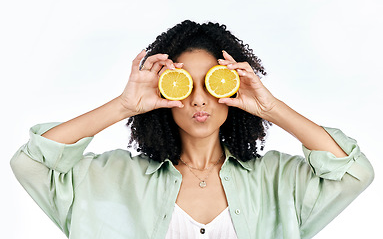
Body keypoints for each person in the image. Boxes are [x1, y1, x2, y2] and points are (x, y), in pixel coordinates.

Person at [11, 20, 374, 239]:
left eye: (212, 85)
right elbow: (31, 163)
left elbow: (354, 173)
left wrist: (271, 107)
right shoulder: (114, 178)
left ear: (230, 90)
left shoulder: (276, 180)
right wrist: (122, 105)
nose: (199, 100)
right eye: (184, 85)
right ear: (163, 92)